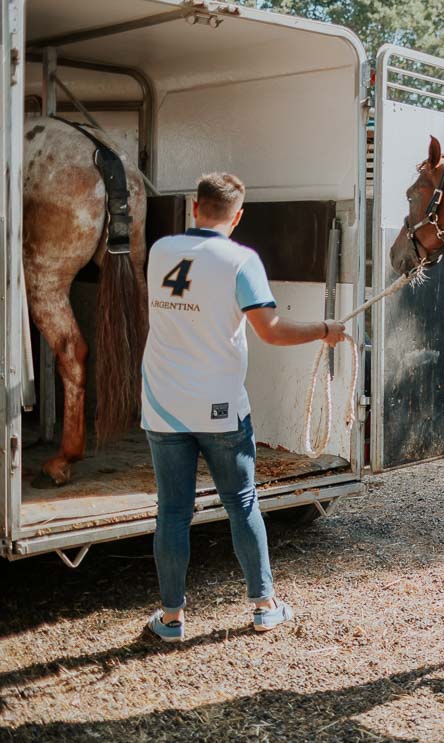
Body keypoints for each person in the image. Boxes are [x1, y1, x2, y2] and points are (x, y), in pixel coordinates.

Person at [142, 172, 345, 642]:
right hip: (219, 407)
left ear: (195, 208)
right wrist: (324, 329)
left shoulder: (160, 251)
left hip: (162, 402)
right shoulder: (241, 261)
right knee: (242, 502)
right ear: (238, 216)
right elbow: (271, 330)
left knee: (172, 511)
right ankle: (264, 605)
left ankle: (171, 619)